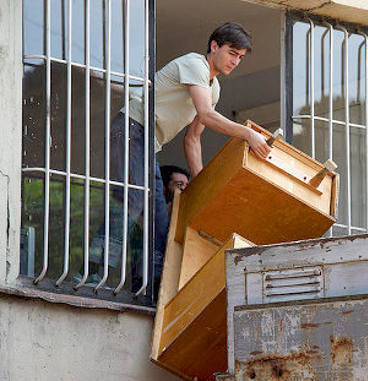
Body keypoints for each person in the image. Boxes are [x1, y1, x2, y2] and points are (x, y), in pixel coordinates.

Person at [82, 22, 271, 294]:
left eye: (240, 57)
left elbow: (192, 138)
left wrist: (203, 184)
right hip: (131, 130)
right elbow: (206, 114)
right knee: (133, 198)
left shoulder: (213, 87)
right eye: (232, 52)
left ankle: (149, 292)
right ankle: (90, 273)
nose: (235, 61)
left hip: (148, 143)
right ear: (214, 46)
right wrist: (248, 134)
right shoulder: (195, 64)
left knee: (161, 222)